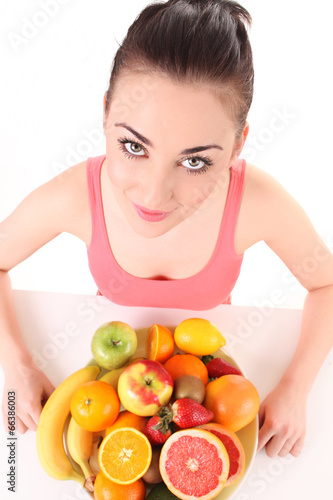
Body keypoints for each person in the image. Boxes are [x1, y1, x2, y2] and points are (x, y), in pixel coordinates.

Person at [0, 0, 332, 460]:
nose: (153, 197)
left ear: (238, 145)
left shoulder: (255, 201)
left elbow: (327, 282)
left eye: (195, 161)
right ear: (105, 114)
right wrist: (14, 364)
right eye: (133, 146)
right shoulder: (76, 194)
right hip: (109, 376)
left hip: (212, 380)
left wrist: (296, 387)